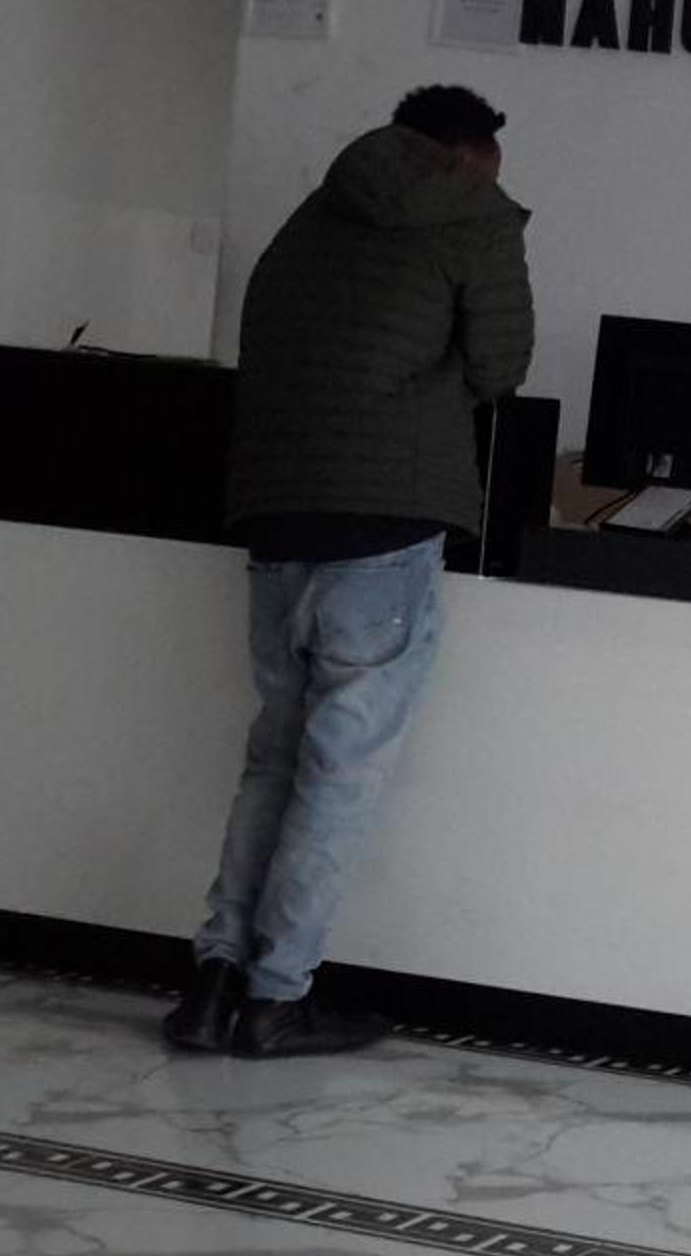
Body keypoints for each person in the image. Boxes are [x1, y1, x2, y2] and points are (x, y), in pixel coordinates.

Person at [163, 85, 533, 1058]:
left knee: (274, 759)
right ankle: (276, 997)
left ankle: (211, 980)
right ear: (470, 157)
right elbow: (502, 367)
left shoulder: (312, 211)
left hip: (276, 513)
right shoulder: (476, 216)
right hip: (386, 524)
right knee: (339, 776)